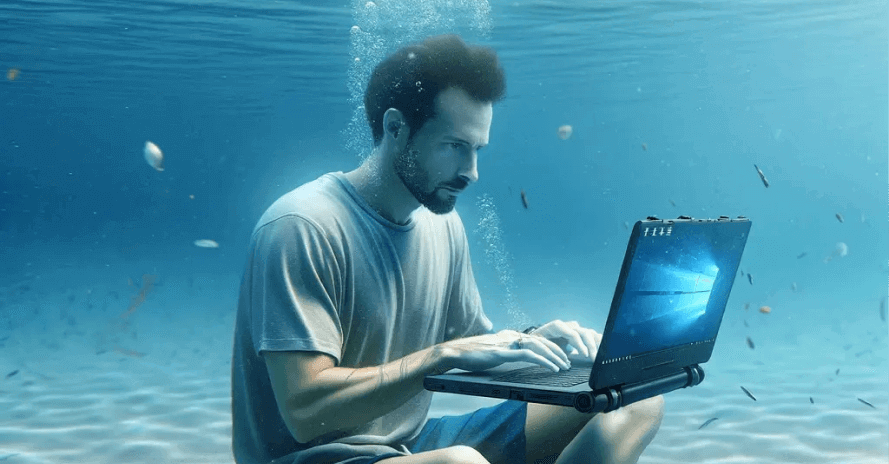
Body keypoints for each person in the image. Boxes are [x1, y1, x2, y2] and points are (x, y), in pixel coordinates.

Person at [231, 34, 664, 464]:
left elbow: (471, 346)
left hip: (408, 445)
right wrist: (441, 357)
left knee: (632, 400)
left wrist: (532, 344)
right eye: (455, 147)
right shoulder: (301, 226)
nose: (472, 172)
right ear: (395, 128)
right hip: (308, 458)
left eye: (477, 150)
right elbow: (305, 413)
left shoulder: (445, 226)